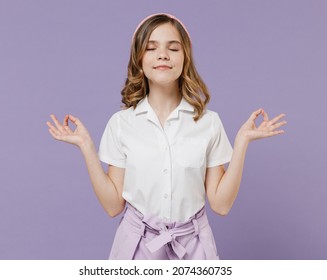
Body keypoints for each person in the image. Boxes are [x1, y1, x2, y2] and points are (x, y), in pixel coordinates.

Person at [46, 13, 286, 260]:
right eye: (151, 48)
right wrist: (86, 147)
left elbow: (221, 205)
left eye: (173, 48)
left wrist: (242, 142)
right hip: (136, 247)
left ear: (185, 59)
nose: (163, 55)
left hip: (194, 248)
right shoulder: (121, 124)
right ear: (139, 59)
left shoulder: (208, 122)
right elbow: (113, 206)